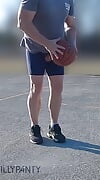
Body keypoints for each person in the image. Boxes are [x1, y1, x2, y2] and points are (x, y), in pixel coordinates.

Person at [17, 0, 77, 144]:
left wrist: (72, 45)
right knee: (36, 87)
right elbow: (23, 23)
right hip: (35, 49)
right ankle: (34, 126)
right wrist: (47, 44)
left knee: (57, 87)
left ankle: (54, 126)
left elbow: (71, 25)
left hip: (57, 50)